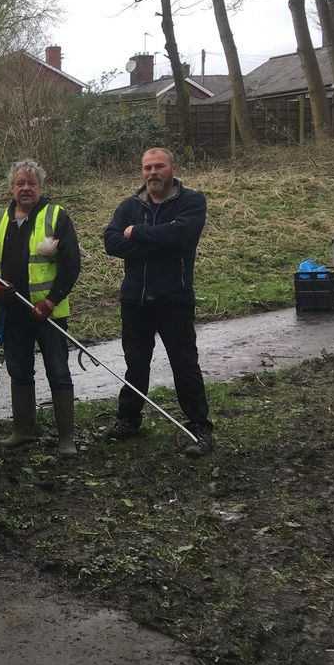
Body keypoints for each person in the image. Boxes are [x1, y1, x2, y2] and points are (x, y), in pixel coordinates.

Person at [103, 147, 214, 456]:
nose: (153, 173)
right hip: (134, 300)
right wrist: (153, 241)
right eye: (147, 167)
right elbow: (111, 242)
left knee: (184, 364)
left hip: (174, 299)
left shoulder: (191, 201)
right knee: (135, 363)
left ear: (173, 169)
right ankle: (128, 419)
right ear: (142, 172)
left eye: (159, 166)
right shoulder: (129, 205)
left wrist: (136, 233)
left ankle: (200, 427)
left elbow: (180, 237)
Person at [0, 159, 82, 457]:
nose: (25, 188)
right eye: (19, 183)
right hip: (12, 313)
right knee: (18, 370)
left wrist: (50, 300)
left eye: (31, 183)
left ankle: (66, 438)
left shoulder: (56, 215)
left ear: (40, 186)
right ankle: (23, 429)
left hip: (47, 314)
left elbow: (71, 264)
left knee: (58, 371)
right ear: (12, 187)